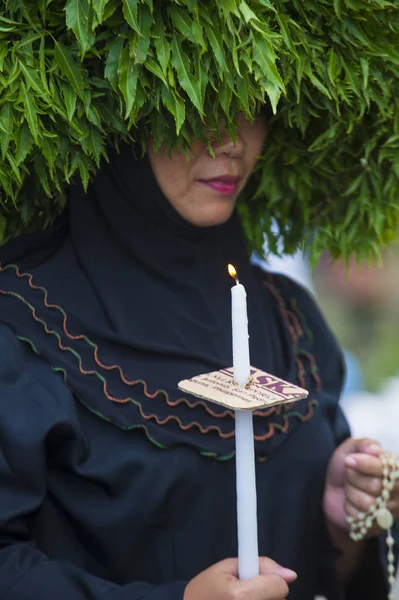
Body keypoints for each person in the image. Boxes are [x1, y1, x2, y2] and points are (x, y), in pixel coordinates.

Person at [0, 111, 398, 600]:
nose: (232, 141)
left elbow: (324, 571)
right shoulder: (22, 325)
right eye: (196, 107)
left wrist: (340, 525)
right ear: (123, 118)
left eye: (254, 112)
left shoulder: (290, 318)